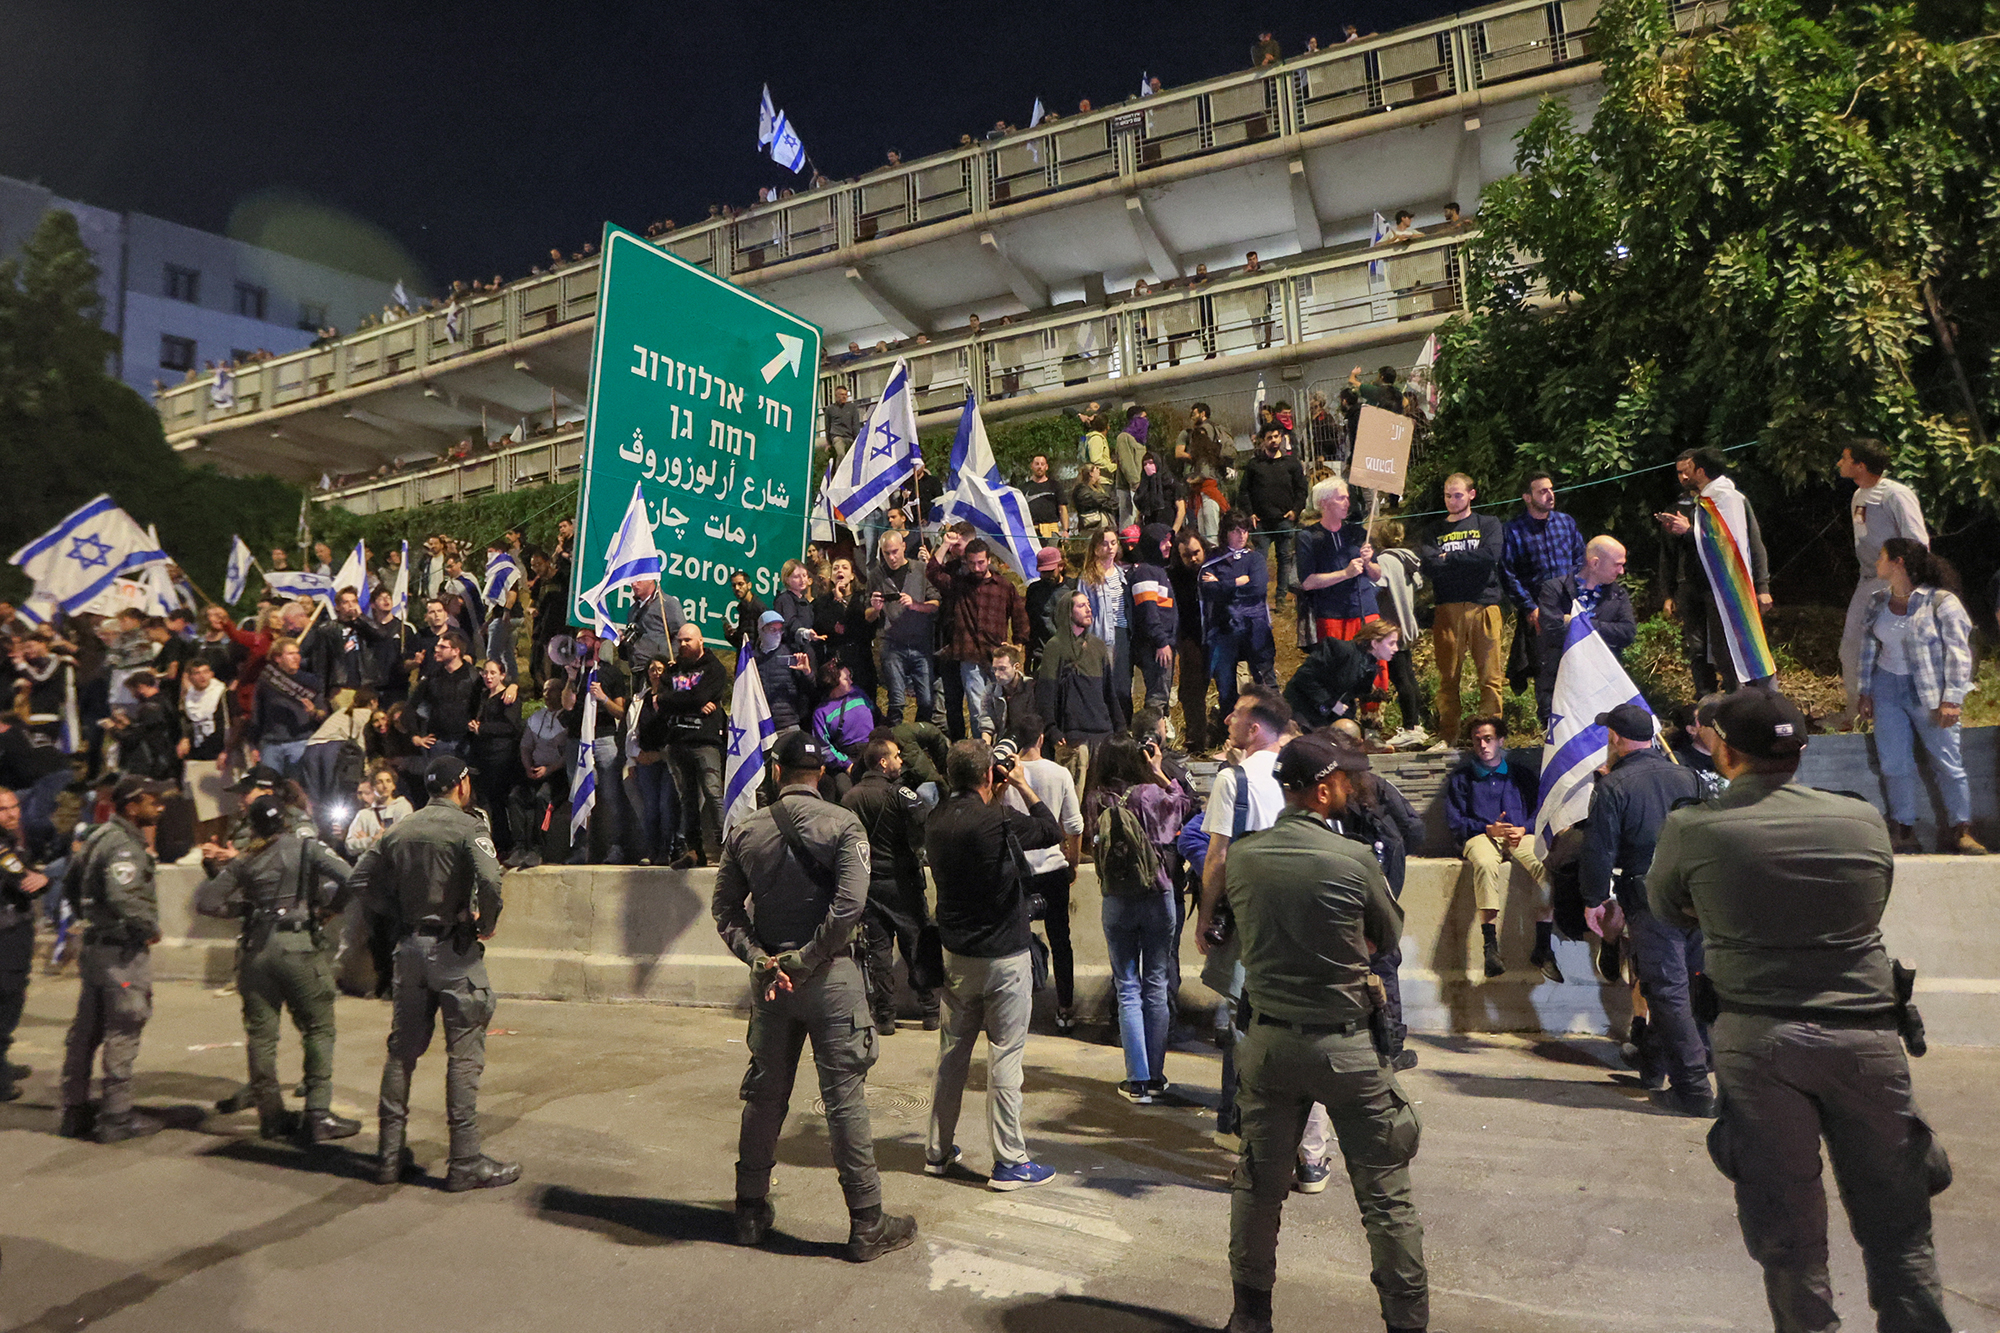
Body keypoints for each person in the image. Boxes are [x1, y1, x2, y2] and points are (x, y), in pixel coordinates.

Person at [1648, 689, 1956, 1332]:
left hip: (1759, 1041)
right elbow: (1873, 900)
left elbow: (1666, 907)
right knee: (1900, 1228)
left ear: (1725, 750)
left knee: (1788, 1237)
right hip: (1867, 1036)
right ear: (1800, 750)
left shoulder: (1695, 827)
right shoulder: (1862, 820)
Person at [1218, 734, 1427, 1333]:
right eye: (1340, 782)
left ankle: (1249, 1316)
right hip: (1345, 1046)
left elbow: (1231, 929)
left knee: (1258, 1186)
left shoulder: (1245, 856)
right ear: (1323, 787)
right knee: (1386, 1197)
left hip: (1269, 1043)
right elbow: (1387, 936)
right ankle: (1406, 1321)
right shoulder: (1354, 858)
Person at [711, 731, 918, 1260]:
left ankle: (749, 1210)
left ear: (777, 772)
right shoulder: (843, 824)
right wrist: (808, 958)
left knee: (764, 1097)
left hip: (772, 981)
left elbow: (726, 912)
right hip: (830, 978)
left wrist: (761, 959)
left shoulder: (745, 831)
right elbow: (851, 905)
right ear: (820, 774)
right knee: (844, 1100)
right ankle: (866, 1222)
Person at [348, 754, 518, 1191]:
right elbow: (491, 881)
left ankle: (388, 1157)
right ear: (461, 785)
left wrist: (396, 915)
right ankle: (464, 1161)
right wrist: (487, 923)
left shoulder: (399, 828)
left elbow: (359, 880)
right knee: (463, 1056)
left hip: (408, 949)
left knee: (401, 1054)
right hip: (454, 949)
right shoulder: (469, 827)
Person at [924, 738, 1066, 1189]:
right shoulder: (999, 819)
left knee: (952, 1054)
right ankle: (1009, 1161)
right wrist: (1022, 785)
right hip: (1003, 955)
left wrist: (994, 790)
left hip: (956, 956)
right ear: (990, 775)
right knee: (1005, 1056)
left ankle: (937, 1150)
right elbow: (1050, 830)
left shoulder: (936, 820)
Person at [193, 794, 361, 1143]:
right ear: (284, 820)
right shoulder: (305, 848)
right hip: (298, 948)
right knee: (318, 1028)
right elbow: (353, 878)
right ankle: (318, 1112)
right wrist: (331, 909)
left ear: (253, 826)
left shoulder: (246, 860)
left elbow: (207, 901)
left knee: (261, 1036)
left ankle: (271, 1117)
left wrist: (247, 911)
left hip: (255, 953)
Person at [1577, 703, 1709, 1111]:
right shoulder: (1689, 776)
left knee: (1668, 993)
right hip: (1700, 896)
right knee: (1692, 987)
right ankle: (1656, 1064)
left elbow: (1599, 851)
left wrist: (1594, 900)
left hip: (1652, 902)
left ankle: (1694, 1090)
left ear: (1615, 738)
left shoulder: (1614, 787)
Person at [1193, 687, 1291, 1145]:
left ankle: (1241, 1122)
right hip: (1295, 919)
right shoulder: (1302, 775)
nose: (1227, 719)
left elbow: (1218, 858)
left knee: (1242, 1017)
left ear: (1253, 728)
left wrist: (1204, 915)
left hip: (1247, 919)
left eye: (1235, 715)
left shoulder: (1234, 780)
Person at [59, 776, 173, 1143]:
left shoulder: (98, 836)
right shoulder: (124, 845)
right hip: (120, 957)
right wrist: (148, 928)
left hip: (95, 950)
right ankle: (116, 1117)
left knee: (85, 1034)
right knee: (123, 1028)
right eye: (152, 800)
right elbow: (124, 897)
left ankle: (74, 1112)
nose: (160, 806)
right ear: (131, 806)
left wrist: (89, 919)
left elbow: (71, 883)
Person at [1858, 537, 1985, 855]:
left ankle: (1961, 829)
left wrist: (1952, 698)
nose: (1878, 562)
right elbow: (1869, 648)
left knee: (1946, 760)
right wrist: (1865, 691)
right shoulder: (1877, 600)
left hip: (1928, 690)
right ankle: (1904, 829)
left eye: (1883, 556)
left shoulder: (1941, 602)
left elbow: (1959, 654)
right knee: (1894, 762)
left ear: (1899, 562)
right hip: (1887, 686)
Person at [1088, 736, 1189, 1102]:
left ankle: (1137, 1080)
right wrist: (1160, 772)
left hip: (1116, 898)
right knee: (1156, 984)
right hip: (1158, 895)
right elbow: (1183, 807)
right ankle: (1157, 1076)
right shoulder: (1148, 793)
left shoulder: (1096, 799)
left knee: (1126, 986)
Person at [1444, 716, 1559, 982]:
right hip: (1482, 835)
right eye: (1477, 740)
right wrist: (1486, 829)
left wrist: (1525, 828)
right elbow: (1455, 821)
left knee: (1543, 865)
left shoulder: (1520, 775)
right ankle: (1490, 946)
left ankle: (1543, 945)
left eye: (1488, 739)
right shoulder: (1463, 779)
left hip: (1518, 834)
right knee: (1484, 864)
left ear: (1500, 741)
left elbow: (1540, 810)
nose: (1483, 745)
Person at [1654, 446, 1773, 693]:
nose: (1685, 477)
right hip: (1697, 585)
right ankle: (1711, 699)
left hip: (1726, 586)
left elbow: (1733, 543)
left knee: (1732, 647)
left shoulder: (1728, 499)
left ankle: (1752, 699)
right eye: (1680, 473)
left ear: (1701, 470)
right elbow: (1677, 552)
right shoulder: (1703, 501)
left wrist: (1762, 585)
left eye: (1689, 470)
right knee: (1707, 650)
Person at [841, 737, 939, 1032]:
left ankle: (885, 1017)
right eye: (896, 756)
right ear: (883, 762)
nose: (901, 761)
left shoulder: (850, 798)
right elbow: (924, 818)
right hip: (903, 882)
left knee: (878, 953)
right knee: (915, 946)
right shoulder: (900, 794)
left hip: (869, 883)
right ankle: (930, 1011)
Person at [1831, 437, 1928, 730]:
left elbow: (1917, 542)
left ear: (1860, 464)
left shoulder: (1895, 494)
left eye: (1845, 458)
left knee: (1890, 649)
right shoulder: (1859, 495)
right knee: (1853, 648)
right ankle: (1857, 712)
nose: (1839, 463)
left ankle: (1887, 715)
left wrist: (1906, 587)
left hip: (1893, 581)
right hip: (1869, 580)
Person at [999, 725, 1085, 1032]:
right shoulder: (1059, 773)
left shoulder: (1003, 774)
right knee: (1061, 940)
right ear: (1040, 739)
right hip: (1052, 868)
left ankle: (1013, 1007)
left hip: (1017, 868)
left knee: (1013, 941)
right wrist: (1072, 863)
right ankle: (1064, 1008)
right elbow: (1074, 824)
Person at [1419, 474, 1505, 745]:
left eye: (1457, 495)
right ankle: (1448, 737)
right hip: (1447, 608)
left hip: (1484, 605)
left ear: (1471, 494)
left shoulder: (1488, 524)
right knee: (1448, 677)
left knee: (1490, 677)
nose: (1452, 500)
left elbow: (1490, 556)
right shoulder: (1433, 530)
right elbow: (1429, 565)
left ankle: (1491, 736)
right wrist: (1463, 561)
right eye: (1447, 495)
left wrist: (1450, 558)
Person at [929, 538, 1029, 743]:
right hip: (969, 655)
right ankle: (982, 749)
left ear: (989, 560)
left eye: (981, 562)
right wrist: (945, 545)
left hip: (997, 655)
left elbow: (1019, 615)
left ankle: (1004, 745)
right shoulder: (959, 585)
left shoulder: (1004, 586)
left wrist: (1018, 644)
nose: (977, 567)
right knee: (977, 708)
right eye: (972, 563)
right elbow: (933, 572)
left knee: (1003, 703)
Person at [1500, 472, 1585, 699]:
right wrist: (1529, 607)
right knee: (1544, 670)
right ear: (1527, 497)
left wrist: (1578, 596)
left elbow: (1580, 560)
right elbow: (1508, 572)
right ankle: (1548, 722)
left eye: (1551, 489)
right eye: (1542, 491)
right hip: (1537, 609)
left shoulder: (1565, 523)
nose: (1550, 495)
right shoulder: (1514, 530)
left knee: (1576, 664)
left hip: (1569, 605)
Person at [1535, 535, 1636, 722]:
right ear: (1595, 563)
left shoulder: (1618, 595)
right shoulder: (1554, 589)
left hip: (1601, 684)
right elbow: (1552, 629)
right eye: (1617, 564)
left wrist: (1576, 621)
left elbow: (1627, 633)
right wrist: (1600, 629)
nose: (1621, 571)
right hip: (1560, 681)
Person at [656, 624, 729, 869]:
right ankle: (694, 851)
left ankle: (727, 847)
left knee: (713, 792)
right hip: (677, 741)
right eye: (680, 641)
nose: (683, 644)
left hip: (704, 740)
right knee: (686, 799)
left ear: (700, 640)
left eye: (688, 640)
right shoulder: (672, 669)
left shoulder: (713, 668)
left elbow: (693, 697)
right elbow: (662, 700)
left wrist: (683, 700)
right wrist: (694, 702)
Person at [1036, 591, 1118, 795]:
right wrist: (1052, 729)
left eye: (1088, 604)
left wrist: (1121, 729)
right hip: (1074, 736)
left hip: (1103, 733)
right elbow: (1045, 694)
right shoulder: (1055, 647)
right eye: (1081, 606)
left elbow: (1109, 693)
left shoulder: (1098, 646)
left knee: (1101, 796)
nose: (1088, 609)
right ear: (1067, 612)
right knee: (1074, 798)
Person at [0, 787, 52, 1103]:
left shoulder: (11, 839)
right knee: (7, 999)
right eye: (3, 809)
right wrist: (45, 880)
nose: (12, 813)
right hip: (6, 933)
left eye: (14, 806)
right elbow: (26, 884)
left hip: (10, 929)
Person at [1201, 513, 1277, 730]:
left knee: (1265, 682)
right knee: (1225, 686)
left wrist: (1223, 585)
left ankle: (1273, 728)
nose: (1241, 535)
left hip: (1256, 629)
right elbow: (1208, 589)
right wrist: (1236, 581)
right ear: (1225, 533)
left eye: (1244, 530)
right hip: (1224, 629)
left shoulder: (1255, 559)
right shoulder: (1214, 558)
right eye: (1235, 530)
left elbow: (1259, 587)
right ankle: (1231, 733)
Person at [1294, 478, 1380, 644]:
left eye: (1347, 498)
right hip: (1333, 616)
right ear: (1323, 503)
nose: (1347, 503)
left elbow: (1377, 576)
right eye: (1341, 498)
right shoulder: (1308, 537)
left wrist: (1368, 563)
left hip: (1367, 611)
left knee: (1373, 667)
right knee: (1341, 668)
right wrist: (1345, 573)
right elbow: (1307, 582)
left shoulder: (1357, 533)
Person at [1284, 619, 1401, 732]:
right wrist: (1330, 702)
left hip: (1327, 716)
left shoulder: (1369, 665)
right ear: (1375, 643)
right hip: (1302, 710)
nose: (1396, 648)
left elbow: (1350, 694)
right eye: (1391, 643)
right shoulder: (1340, 649)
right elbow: (1305, 676)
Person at [870, 531, 938, 724]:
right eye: (886, 553)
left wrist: (916, 605)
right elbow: (867, 614)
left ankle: (917, 735)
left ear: (904, 547)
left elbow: (936, 603)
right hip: (892, 644)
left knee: (926, 700)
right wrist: (875, 609)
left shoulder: (920, 570)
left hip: (920, 643)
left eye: (894, 551)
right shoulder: (877, 575)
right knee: (897, 702)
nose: (891, 557)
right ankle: (895, 742)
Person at [1241, 426, 1308, 600]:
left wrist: (1295, 511)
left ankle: (1281, 598)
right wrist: (1250, 514)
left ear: (1282, 438)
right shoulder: (1254, 465)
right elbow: (1244, 491)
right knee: (1260, 561)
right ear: (1263, 440)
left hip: (1285, 520)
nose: (1274, 440)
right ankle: (1259, 597)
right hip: (1261, 522)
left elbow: (1302, 489)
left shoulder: (1292, 463)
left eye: (1277, 436)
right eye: (1270, 437)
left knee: (1285, 559)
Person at [1078, 527, 1134, 726]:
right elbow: (1081, 611)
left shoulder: (1124, 573)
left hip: (1123, 632)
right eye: (1104, 543)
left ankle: (1124, 728)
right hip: (1100, 636)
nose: (1110, 547)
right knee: (1103, 686)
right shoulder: (1088, 577)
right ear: (1095, 548)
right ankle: (1105, 728)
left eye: (1113, 543)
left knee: (1123, 686)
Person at [250, 636, 327, 778]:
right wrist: (254, 745)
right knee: (269, 785)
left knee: (296, 787)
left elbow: (324, 714)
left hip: (300, 742)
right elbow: (257, 713)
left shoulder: (311, 681)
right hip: (271, 744)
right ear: (278, 658)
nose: (296, 657)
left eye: (297, 653)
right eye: (290, 654)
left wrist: (314, 712)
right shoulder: (267, 680)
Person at [1127, 524, 1178, 715]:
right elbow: (1148, 611)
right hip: (1154, 646)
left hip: (1164, 644)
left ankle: (1160, 740)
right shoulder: (1145, 572)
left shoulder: (1160, 571)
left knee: (1162, 696)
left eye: (1169, 541)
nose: (1169, 545)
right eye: (1163, 541)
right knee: (1157, 697)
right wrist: (1161, 641)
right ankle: (1150, 738)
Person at [1170, 529, 1213, 752]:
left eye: (1196, 552)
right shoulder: (1174, 575)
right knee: (1191, 690)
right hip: (1190, 636)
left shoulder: (1216, 564)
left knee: (1230, 686)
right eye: (1187, 556)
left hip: (1220, 633)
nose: (1193, 559)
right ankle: (1197, 739)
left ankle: (1227, 735)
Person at [814, 557, 878, 705]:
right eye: (835, 568)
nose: (839, 571)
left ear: (852, 575)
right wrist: (836, 602)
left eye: (844, 567)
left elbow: (863, 626)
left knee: (866, 702)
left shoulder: (862, 598)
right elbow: (824, 626)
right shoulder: (823, 602)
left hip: (861, 659)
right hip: (836, 659)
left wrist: (842, 601)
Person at [811, 661, 877, 799]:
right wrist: (846, 764)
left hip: (871, 749)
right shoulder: (821, 713)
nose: (851, 681)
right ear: (834, 683)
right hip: (846, 757)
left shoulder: (858, 693)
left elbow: (875, 713)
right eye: (846, 679)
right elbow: (824, 749)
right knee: (847, 794)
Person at [1019, 454, 1068, 543]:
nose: (1040, 467)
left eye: (1042, 464)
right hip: (1031, 532)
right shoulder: (1023, 488)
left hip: (1051, 531)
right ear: (1032, 466)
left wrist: (1065, 530)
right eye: (1037, 464)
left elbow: (1062, 509)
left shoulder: (1055, 485)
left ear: (1046, 467)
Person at [825, 383, 861, 460]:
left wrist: (857, 440)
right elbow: (827, 427)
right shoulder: (830, 409)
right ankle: (840, 471)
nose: (844, 396)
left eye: (845, 394)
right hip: (838, 437)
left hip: (850, 437)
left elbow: (856, 424)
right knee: (841, 455)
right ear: (836, 395)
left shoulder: (852, 408)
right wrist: (829, 443)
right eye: (841, 394)